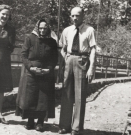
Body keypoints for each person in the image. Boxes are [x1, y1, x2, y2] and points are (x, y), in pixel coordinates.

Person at [58, 7, 96, 135]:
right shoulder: (67, 30)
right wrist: (66, 58)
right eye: (73, 15)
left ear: (83, 16)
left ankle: (76, 128)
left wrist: (91, 68)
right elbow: (62, 47)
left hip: (82, 60)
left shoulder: (89, 30)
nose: (75, 18)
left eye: (78, 15)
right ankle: (64, 126)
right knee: (66, 93)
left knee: (79, 96)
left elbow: (93, 50)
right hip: (69, 60)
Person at [15, 19, 58, 132]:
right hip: (31, 72)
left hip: (46, 74)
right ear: (37, 28)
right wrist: (31, 67)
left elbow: (54, 59)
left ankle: (40, 122)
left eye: (45, 28)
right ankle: (30, 121)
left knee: (43, 98)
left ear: (48, 28)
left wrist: (48, 70)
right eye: (40, 28)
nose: (43, 30)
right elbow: (23, 55)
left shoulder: (52, 42)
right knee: (30, 97)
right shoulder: (29, 38)